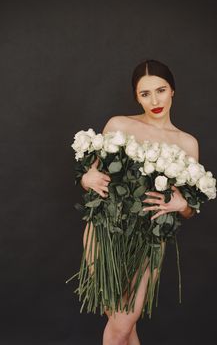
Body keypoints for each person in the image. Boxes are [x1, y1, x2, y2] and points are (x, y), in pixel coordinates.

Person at [80, 59, 199, 345]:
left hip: (149, 242)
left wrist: (179, 204)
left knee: (124, 323)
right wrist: (88, 179)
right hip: (105, 232)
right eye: (145, 94)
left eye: (161, 90)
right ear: (136, 96)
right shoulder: (119, 125)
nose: (154, 100)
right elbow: (91, 173)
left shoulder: (187, 143)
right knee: (122, 325)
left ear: (173, 91)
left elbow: (189, 209)